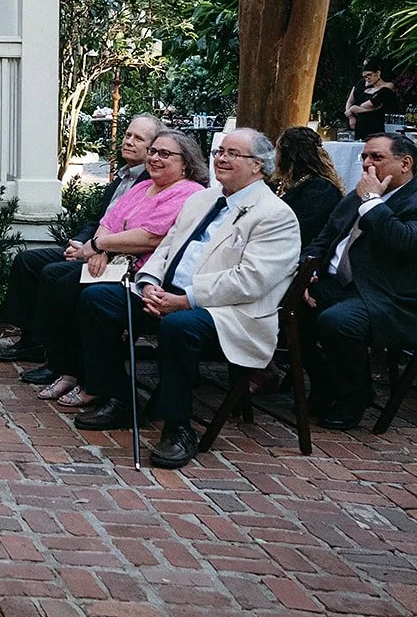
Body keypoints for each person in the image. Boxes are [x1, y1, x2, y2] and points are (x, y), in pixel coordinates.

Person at [73, 129, 300, 468]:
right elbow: (166, 249)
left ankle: (178, 428)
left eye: (232, 154)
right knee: (99, 299)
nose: (221, 158)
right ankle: (120, 398)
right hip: (168, 296)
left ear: (258, 166)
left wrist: (185, 300)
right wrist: (148, 283)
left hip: (227, 314)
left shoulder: (275, 215)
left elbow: (249, 282)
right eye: (220, 151)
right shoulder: (202, 199)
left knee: (179, 325)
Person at [24, 129, 206, 406]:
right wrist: (100, 247)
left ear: (186, 163)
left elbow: (151, 236)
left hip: (145, 274)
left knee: (74, 289)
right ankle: (68, 368)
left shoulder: (188, 192)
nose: (155, 158)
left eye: (165, 154)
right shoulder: (142, 187)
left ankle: (90, 378)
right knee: (56, 277)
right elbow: (109, 219)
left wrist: (100, 247)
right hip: (116, 262)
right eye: (154, 151)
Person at [0, 114, 161, 363]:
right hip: (91, 247)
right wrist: (80, 243)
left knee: (54, 273)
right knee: (27, 261)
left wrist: (95, 250)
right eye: (127, 135)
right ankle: (32, 341)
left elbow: (137, 233)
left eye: (138, 138)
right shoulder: (121, 179)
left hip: (112, 258)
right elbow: (96, 220)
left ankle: (57, 355)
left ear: (152, 148)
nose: (129, 141)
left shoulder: (151, 183)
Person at [302, 132, 417, 430]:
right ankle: (325, 382)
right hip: (337, 282)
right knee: (282, 308)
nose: (366, 164)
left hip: (388, 295)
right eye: (364, 156)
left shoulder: (400, 198)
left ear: (405, 163)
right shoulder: (359, 194)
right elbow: (324, 236)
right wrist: (307, 270)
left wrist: (372, 201)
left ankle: (355, 396)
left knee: (338, 322)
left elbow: (402, 240)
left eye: (376, 157)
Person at [273, 126, 343, 248]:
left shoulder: (320, 190)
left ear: (288, 156)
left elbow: (303, 231)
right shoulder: (280, 182)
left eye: (277, 149)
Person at [344, 57, 401, 140]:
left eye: (369, 75)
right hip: (359, 126)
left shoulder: (387, 88)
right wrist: (350, 115)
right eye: (365, 77)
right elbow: (350, 101)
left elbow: (370, 105)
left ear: (378, 73)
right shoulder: (363, 86)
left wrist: (354, 109)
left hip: (376, 126)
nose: (367, 78)